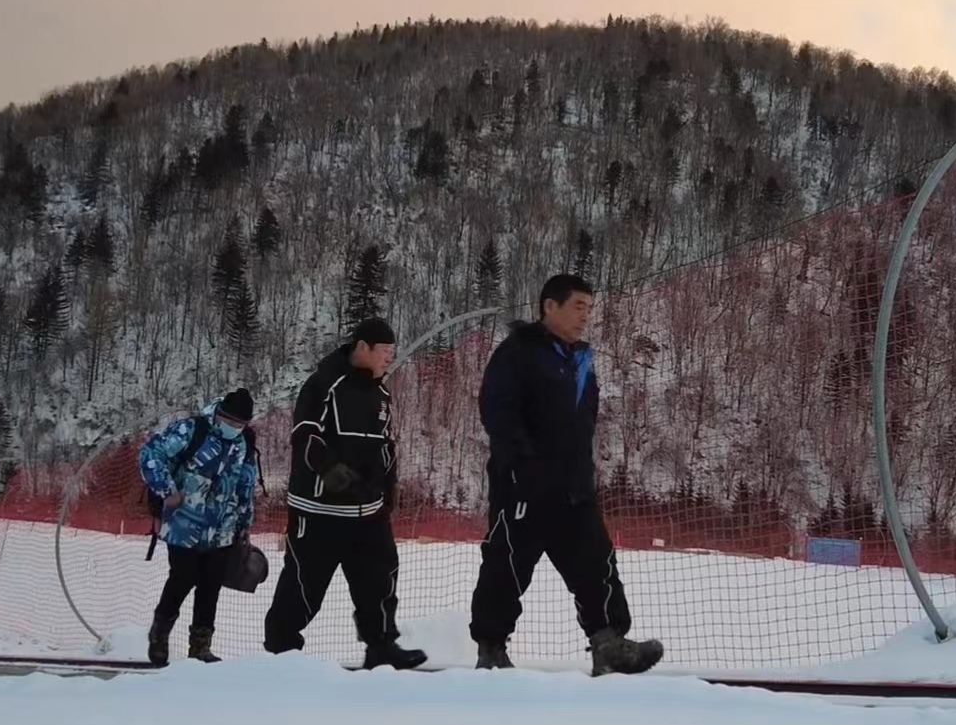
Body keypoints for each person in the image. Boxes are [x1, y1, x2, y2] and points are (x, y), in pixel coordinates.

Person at [469, 273, 663, 675]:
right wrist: (524, 466)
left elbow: (582, 423)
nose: (585, 316)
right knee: (506, 565)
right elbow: (498, 412)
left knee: (597, 564)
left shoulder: (580, 360)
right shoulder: (517, 353)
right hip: (523, 486)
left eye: (590, 308)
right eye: (578, 306)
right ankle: (490, 651)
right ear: (549, 306)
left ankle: (608, 644)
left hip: (574, 487)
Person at [264, 317, 428, 670]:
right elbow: (305, 435)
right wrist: (328, 469)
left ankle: (381, 646)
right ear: (363, 347)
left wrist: (390, 484)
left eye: (392, 353)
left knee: (380, 577)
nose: (389, 358)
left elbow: (387, 445)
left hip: (368, 511)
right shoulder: (324, 384)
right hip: (319, 510)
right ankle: (281, 650)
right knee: (304, 582)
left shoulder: (382, 393)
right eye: (384, 351)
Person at [139, 388, 260, 666]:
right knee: (181, 579)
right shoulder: (191, 429)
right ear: (219, 415)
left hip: (222, 528)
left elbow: (245, 483)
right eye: (229, 422)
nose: (233, 429)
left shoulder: (245, 443)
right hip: (184, 524)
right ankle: (159, 634)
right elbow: (150, 454)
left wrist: (244, 522)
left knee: (210, 586)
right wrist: (167, 490)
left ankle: (200, 647)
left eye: (239, 425)